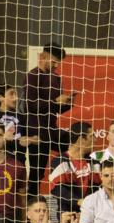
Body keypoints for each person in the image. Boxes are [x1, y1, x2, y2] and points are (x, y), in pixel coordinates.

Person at [21, 44, 76, 196]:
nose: (56, 65)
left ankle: (71, 187)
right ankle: (32, 205)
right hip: (35, 132)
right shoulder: (32, 76)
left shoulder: (56, 78)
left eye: (58, 62)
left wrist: (67, 104)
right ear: (43, 57)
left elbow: (56, 108)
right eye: (53, 62)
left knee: (75, 142)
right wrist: (56, 101)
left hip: (51, 129)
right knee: (36, 172)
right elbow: (30, 105)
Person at [45, 121, 95, 213]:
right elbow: (56, 189)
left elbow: (98, 185)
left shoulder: (93, 162)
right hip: (69, 215)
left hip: (92, 214)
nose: (95, 140)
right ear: (81, 139)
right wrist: (79, 202)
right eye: (92, 136)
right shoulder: (60, 161)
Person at [0, 84, 39, 164]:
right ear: (0, 97)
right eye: (12, 94)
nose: (16, 98)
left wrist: (29, 139)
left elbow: (38, 139)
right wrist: (2, 137)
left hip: (19, 163)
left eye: (16, 94)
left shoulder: (22, 117)